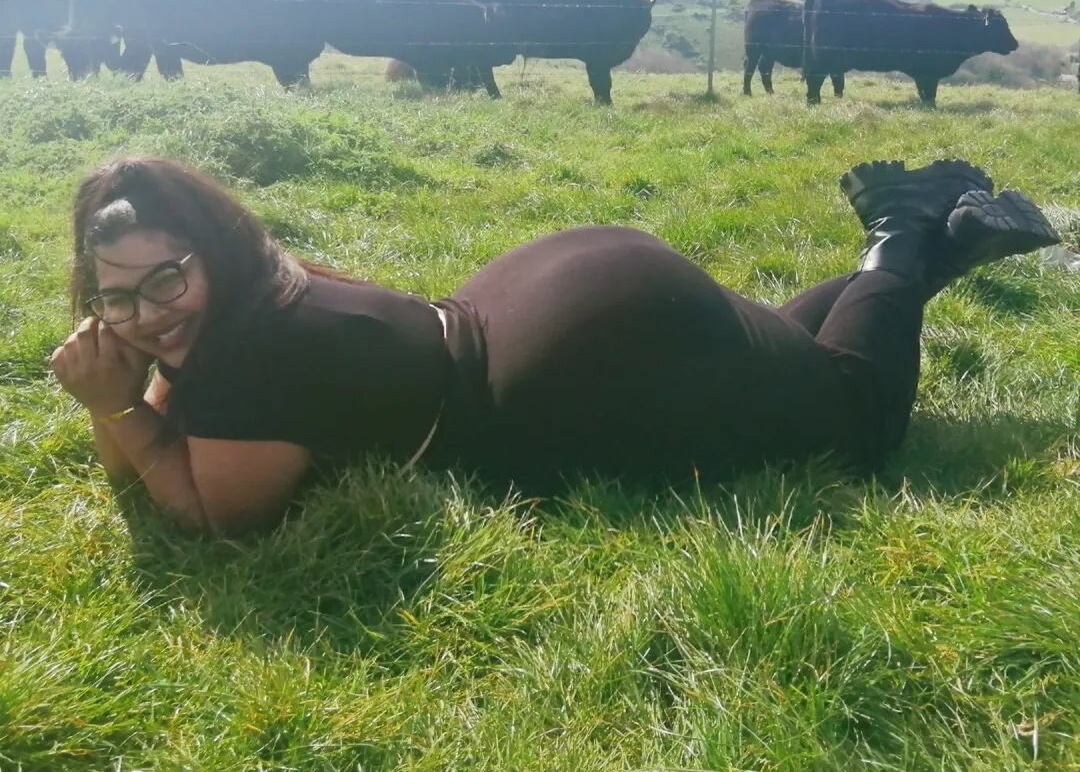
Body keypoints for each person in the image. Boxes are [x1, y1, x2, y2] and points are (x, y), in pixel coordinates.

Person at [50, 156, 1059, 534]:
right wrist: (137, 384)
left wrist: (115, 403)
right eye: (115, 295)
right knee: (783, 356)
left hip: (572, 357)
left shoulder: (246, 359)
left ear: (208, 255)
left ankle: (900, 228)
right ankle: (938, 248)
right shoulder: (259, 288)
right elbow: (175, 432)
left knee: (849, 418)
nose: (149, 313)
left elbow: (210, 512)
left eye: (166, 279)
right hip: (545, 288)